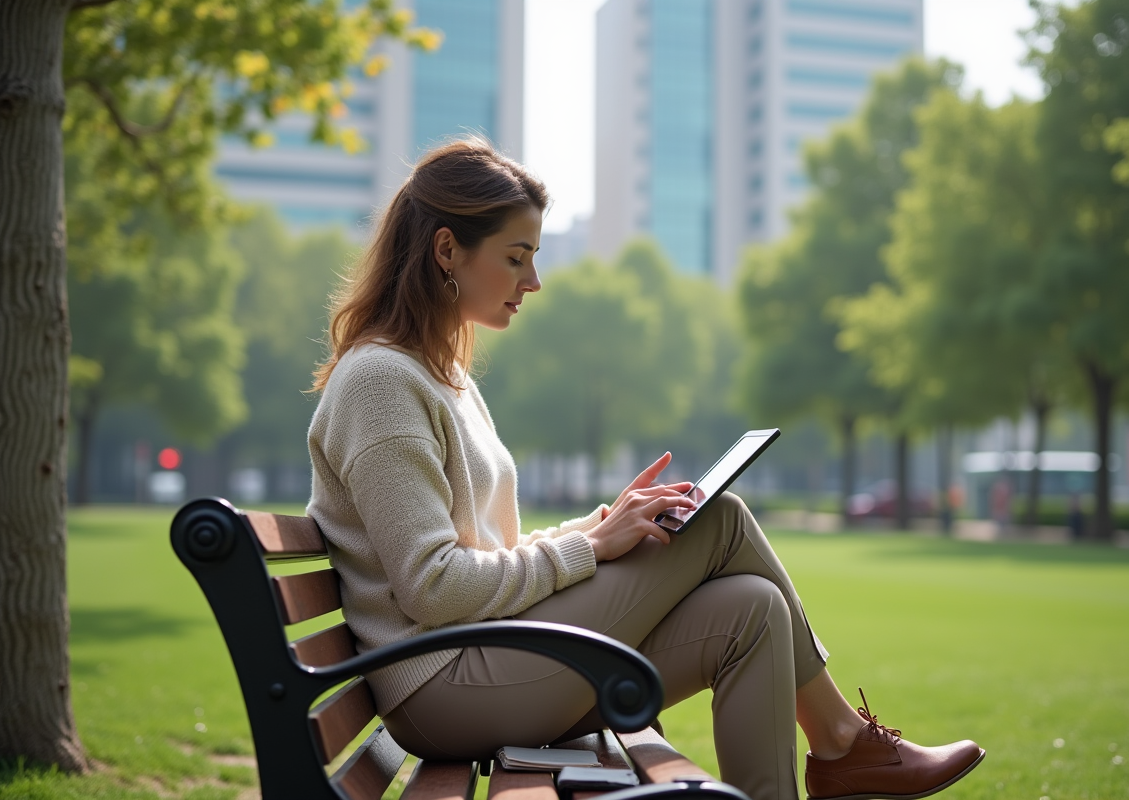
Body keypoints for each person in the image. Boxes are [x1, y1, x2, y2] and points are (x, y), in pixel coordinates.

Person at [306, 138, 983, 800]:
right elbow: (433, 586)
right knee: (718, 520)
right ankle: (842, 744)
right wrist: (592, 547)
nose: (533, 281)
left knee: (753, 610)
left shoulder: (444, 377)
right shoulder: (381, 383)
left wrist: (603, 524)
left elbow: (489, 556)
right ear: (447, 248)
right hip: (443, 690)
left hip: (488, 658)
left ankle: (829, 759)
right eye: (516, 258)